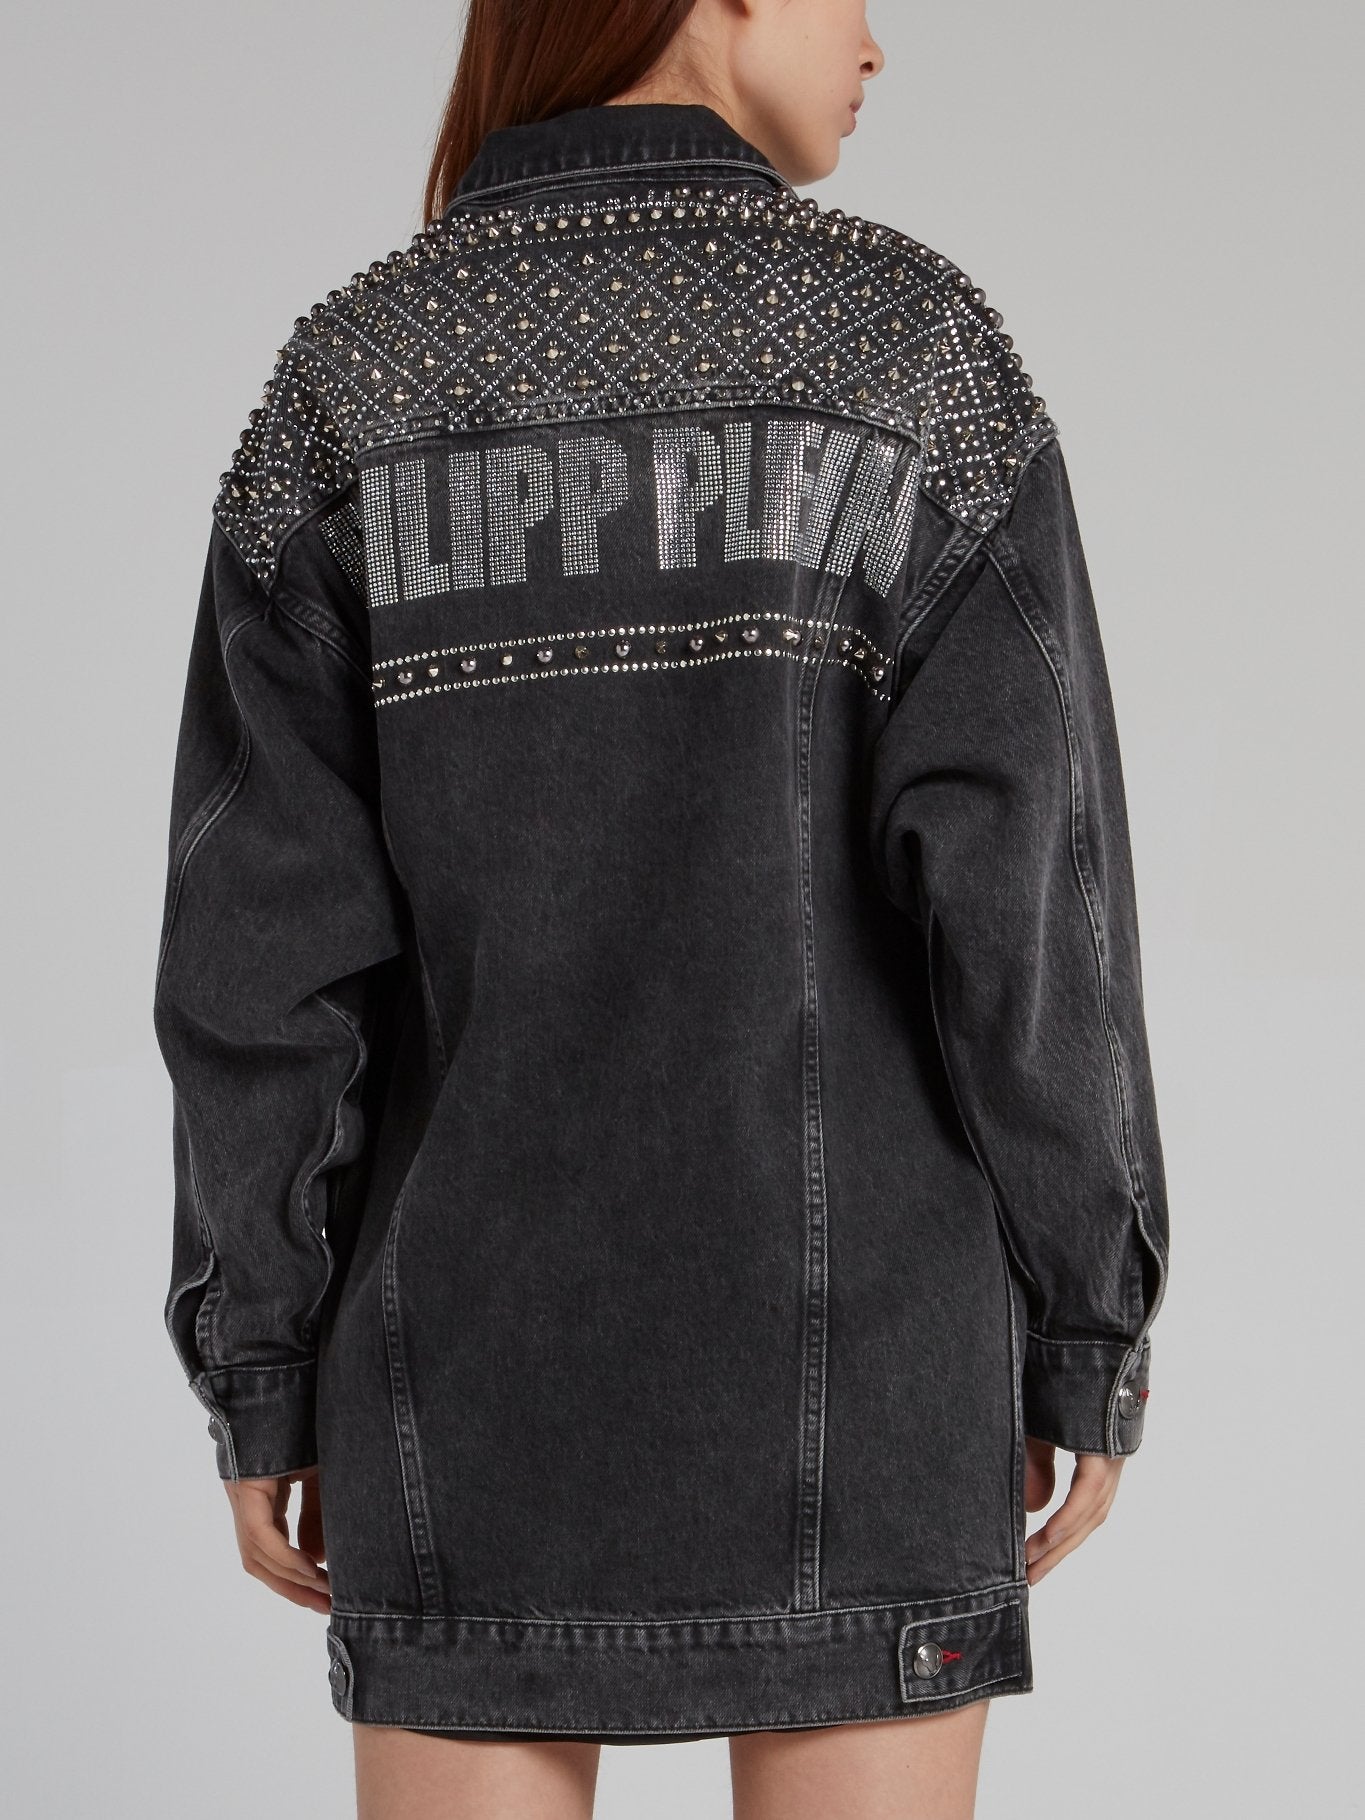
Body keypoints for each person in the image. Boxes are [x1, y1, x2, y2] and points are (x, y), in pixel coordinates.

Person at [151, 1, 1171, 1815]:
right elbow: (1031, 906)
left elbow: (261, 956)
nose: (876, 42)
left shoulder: (355, 375)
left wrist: (264, 1362)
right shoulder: (906, 349)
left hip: (456, 1397)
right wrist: (1089, 1321)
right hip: (865, 1389)